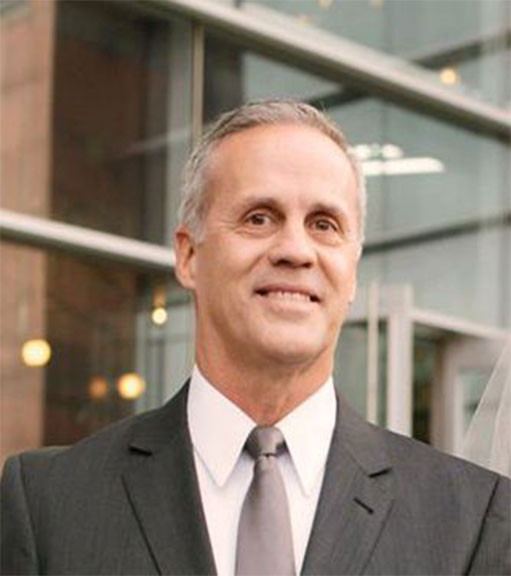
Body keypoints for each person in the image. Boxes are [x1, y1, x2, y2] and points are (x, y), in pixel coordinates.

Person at [1, 100, 510, 576]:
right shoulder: (47, 504)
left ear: (352, 270)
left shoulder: (470, 520)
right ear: (189, 256)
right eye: (259, 218)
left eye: (324, 224)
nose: (295, 249)